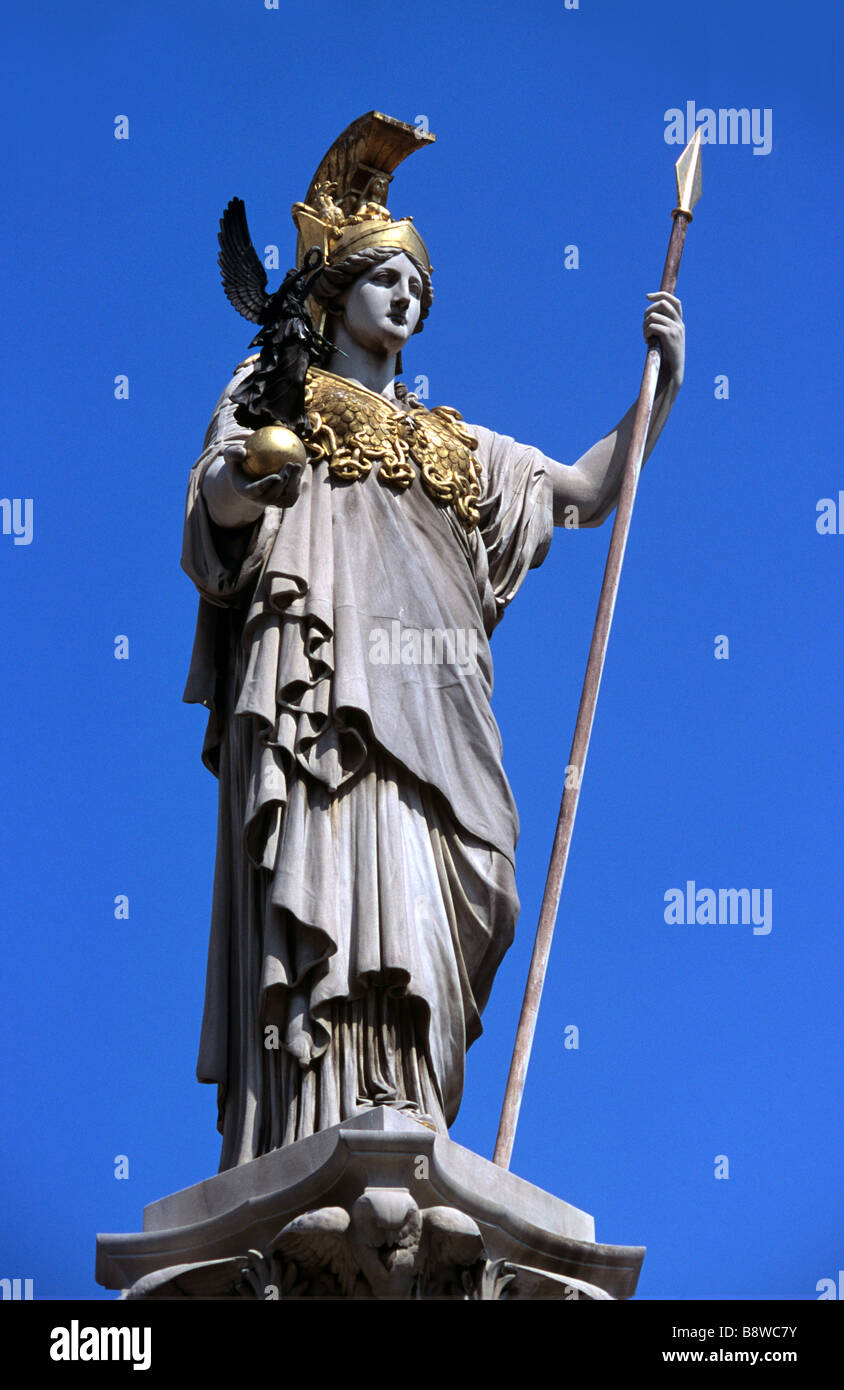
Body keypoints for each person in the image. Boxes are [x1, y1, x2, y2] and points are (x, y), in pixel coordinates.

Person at [181, 116, 684, 1171]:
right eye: (385, 277)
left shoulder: (459, 443)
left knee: (439, 886)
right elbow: (215, 500)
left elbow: (586, 491)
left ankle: (404, 1096)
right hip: (326, 706)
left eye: (419, 283)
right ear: (336, 293)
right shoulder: (286, 401)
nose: (407, 296)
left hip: (440, 709)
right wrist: (250, 484)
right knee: (332, 873)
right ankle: (319, 1103)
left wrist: (656, 389)